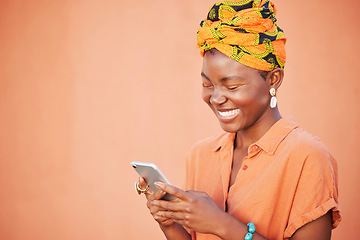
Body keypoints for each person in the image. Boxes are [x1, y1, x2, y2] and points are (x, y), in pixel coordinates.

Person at [135, 1, 341, 239]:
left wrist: (220, 223)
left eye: (232, 86)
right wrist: (169, 222)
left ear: (273, 80)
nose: (215, 98)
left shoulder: (308, 157)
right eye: (207, 84)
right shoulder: (200, 155)